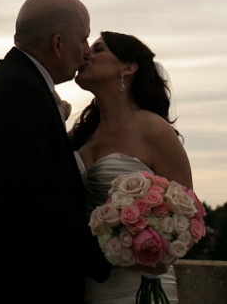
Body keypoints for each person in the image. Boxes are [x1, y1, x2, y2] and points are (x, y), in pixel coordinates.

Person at [0, 0, 112, 303]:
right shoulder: (18, 92)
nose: (85, 52)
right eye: (82, 40)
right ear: (57, 44)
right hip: (15, 289)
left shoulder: (16, 83)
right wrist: (110, 259)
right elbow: (36, 206)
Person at [70, 31, 193, 304]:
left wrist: (153, 249)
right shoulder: (79, 134)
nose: (87, 54)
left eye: (98, 49)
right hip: (85, 281)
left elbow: (188, 213)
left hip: (138, 285)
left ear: (127, 67)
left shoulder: (154, 130)